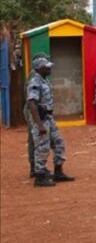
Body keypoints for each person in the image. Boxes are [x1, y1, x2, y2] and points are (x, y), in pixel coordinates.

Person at [26, 56, 74, 187]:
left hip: (48, 118)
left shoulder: (44, 80)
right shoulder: (35, 82)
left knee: (58, 143)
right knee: (42, 147)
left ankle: (58, 172)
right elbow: (32, 104)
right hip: (41, 120)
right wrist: (39, 125)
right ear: (40, 68)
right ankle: (40, 177)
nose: (49, 68)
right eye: (47, 66)